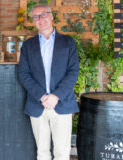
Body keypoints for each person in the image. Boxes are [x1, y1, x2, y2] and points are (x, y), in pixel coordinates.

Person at [17, 4, 79, 160]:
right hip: (38, 104)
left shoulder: (68, 42)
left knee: (62, 153)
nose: (40, 19)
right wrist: (42, 96)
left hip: (62, 103)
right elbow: (24, 74)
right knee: (42, 152)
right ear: (33, 21)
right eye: (36, 16)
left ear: (52, 16)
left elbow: (73, 72)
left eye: (44, 14)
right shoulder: (27, 45)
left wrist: (55, 96)